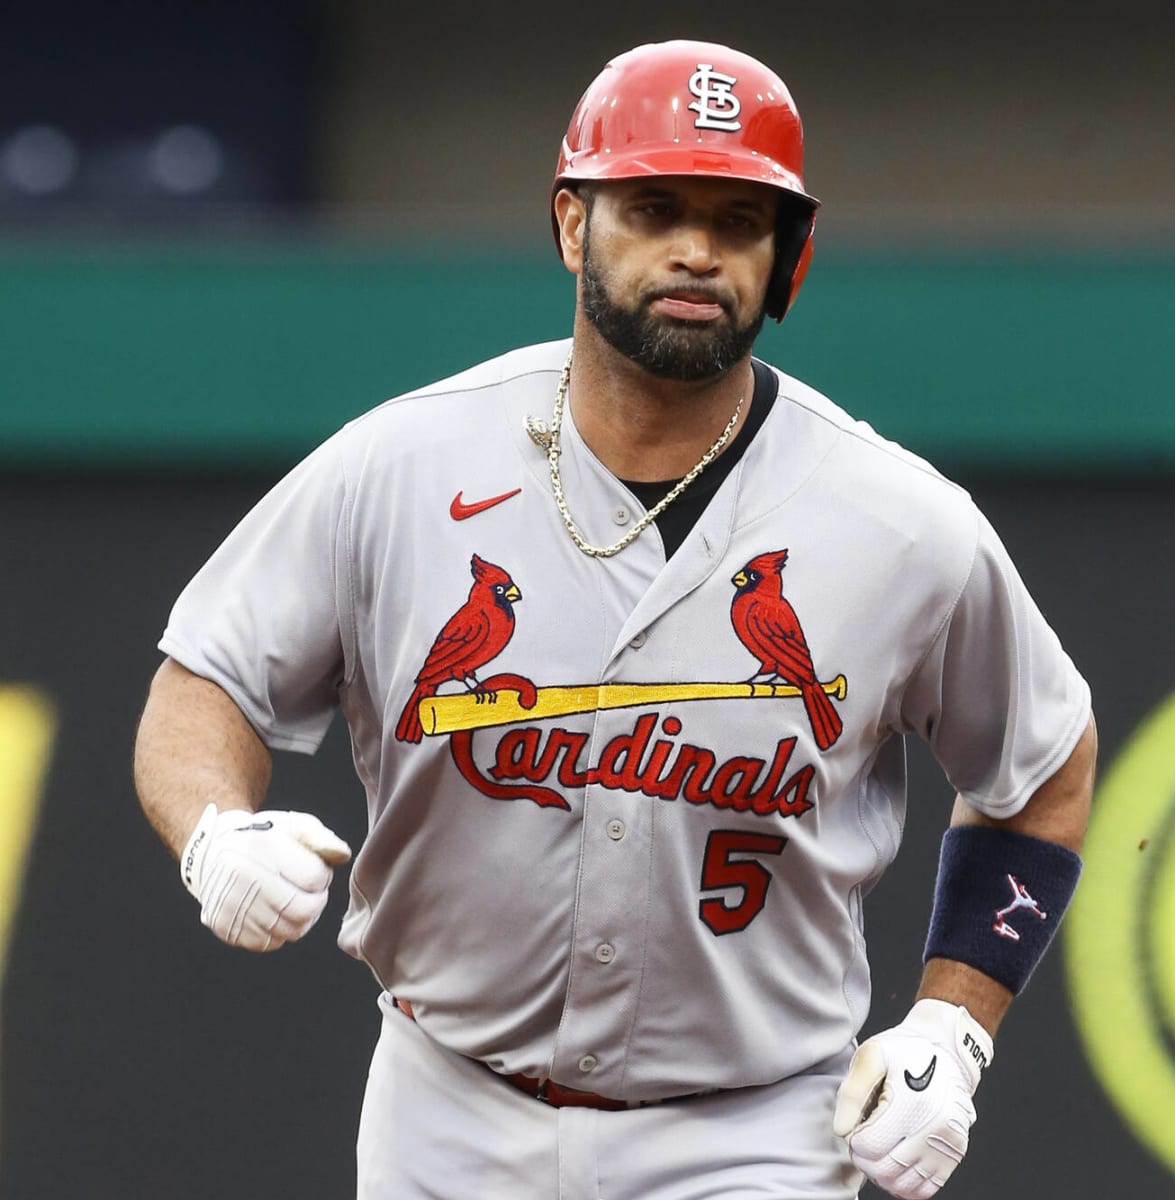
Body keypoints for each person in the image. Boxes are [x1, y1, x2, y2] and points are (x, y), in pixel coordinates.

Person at [132, 39, 1095, 1200]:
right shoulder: (400, 464)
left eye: (739, 220)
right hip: (448, 1106)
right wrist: (213, 833)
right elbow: (207, 680)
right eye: (653, 207)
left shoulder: (900, 522)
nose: (696, 249)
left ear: (786, 259)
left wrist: (956, 1028)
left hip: (754, 1131)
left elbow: (1043, 762)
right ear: (571, 225)